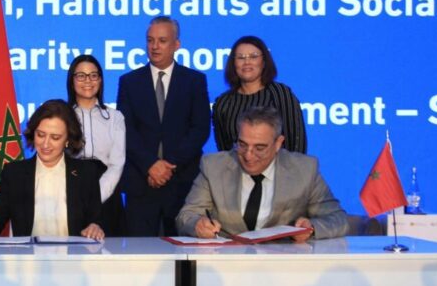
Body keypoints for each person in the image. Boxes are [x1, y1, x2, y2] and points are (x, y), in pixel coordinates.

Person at [177, 106, 347, 242]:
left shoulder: (305, 169)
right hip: (226, 264)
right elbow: (186, 216)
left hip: (283, 267)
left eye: (259, 148)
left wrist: (311, 228)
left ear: (278, 143)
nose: (248, 155)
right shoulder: (214, 166)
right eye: (242, 144)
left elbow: (338, 219)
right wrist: (197, 225)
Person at [117, 16, 210, 236]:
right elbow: (125, 130)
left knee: (182, 251)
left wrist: (168, 166)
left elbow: (200, 129)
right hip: (141, 182)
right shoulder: (129, 81)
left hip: (181, 182)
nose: (155, 46)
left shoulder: (194, 80)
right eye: (150, 40)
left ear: (176, 44)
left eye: (162, 40)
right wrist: (150, 165)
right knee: (139, 250)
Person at [0, 99, 104, 241]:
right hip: (28, 255)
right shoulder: (14, 174)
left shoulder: (87, 172)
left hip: (74, 255)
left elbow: (96, 220)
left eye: (55, 137)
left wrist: (95, 227)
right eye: (40, 135)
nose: (45, 144)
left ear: (68, 140)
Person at [212, 35, 307, 153]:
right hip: (236, 165)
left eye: (253, 56)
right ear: (233, 64)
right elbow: (224, 151)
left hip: (280, 164)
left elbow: (297, 141)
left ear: (264, 62)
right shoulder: (223, 103)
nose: (247, 62)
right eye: (240, 57)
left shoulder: (280, 93)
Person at [66, 54, 126, 236]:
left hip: (107, 193)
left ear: (100, 80)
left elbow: (116, 164)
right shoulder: (63, 116)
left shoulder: (115, 117)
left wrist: (95, 197)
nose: (88, 81)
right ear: (72, 80)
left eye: (93, 75)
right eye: (81, 76)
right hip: (70, 192)